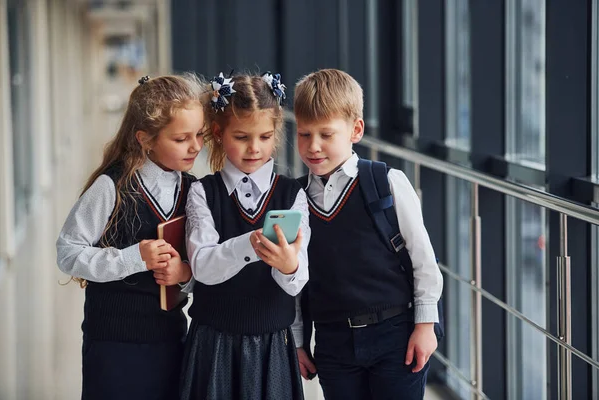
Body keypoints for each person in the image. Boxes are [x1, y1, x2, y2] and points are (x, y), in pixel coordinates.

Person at [293, 68, 443, 400]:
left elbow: (423, 260)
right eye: (304, 134)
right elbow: (296, 279)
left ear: (355, 130)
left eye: (326, 134)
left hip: (395, 335)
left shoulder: (387, 183)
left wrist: (425, 326)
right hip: (333, 343)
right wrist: (299, 341)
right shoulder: (296, 198)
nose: (313, 146)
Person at [56, 73, 208, 400]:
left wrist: (185, 274)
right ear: (146, 139)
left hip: (170, 339)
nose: (195, 146)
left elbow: (202, 263)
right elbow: (68, 253)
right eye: (181, 139)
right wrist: (133, 258)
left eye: (199, 134)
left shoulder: (194, 191)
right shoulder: (111, 187)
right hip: (112, 345)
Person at [180, 71, 310, 400]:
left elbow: (298, 281)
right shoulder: (202, 193)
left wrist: (288, 266)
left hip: (272, 347)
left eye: (265, 137)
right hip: (214, 343)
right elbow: (204, 268)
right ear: (218, 133)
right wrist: (250, 244)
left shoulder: (292, 195)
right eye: (241, 137)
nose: (254, 148)